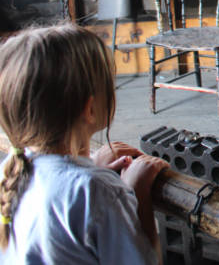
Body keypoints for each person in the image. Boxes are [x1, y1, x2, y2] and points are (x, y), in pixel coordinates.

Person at [0, 24, 169, 265]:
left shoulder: (11, 171)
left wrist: (90, 164)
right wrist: (137, 191)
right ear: (90, 109)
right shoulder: (97, 191)